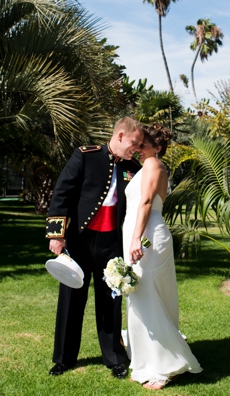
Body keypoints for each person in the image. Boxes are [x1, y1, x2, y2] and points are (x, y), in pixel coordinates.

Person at [46, 117, 144, 378]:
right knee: (71, 299)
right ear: (120, 136)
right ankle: (64, 358)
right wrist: (57, 235)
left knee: (111, 299)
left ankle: (114, 357)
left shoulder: (134, 168)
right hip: (80, 240)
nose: (136, 148)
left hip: (112, 242)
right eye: (134, 143)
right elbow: (62, 193)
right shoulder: (86, 156)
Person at [123, 123, 202, 389]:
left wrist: (135, 238)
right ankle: (146, 354)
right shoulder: (145, 167)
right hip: (138, 232)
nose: (137, 149)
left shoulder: (154, 165)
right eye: (137, 143)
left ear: (157, 147)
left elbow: (146, 202)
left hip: (147, 236)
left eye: (142, 145)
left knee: (149, 294)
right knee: (140, 295)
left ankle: (166, 363)